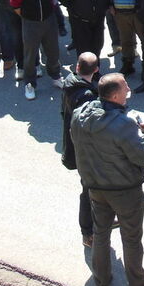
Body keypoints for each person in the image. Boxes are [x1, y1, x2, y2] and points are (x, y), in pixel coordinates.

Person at [70, 73, 144, 286]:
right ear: (114, 96)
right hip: (124, 191)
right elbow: (142, 156)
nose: (128, 90)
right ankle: (139, 285)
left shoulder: (80, 114)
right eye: (125, 88)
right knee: (131, 238)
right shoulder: (123, 124)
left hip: (94, 186)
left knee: (101, 233)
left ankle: (101, 280)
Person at [60, 52, 100, 247]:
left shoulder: (70, 82)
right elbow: (87, 127)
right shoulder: (87, 95)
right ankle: (87, 231)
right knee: (88, 190)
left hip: (74, 144)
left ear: (77, 67)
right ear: (96, 70)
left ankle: (96, 223)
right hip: (84, 150)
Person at [10, 0, 62, 100]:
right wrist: (28, 16)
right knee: (30, 55)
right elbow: (15, 4)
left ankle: (56, 76)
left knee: (53, 51)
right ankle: (30, 84)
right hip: (30, 24)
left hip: (49, 22)